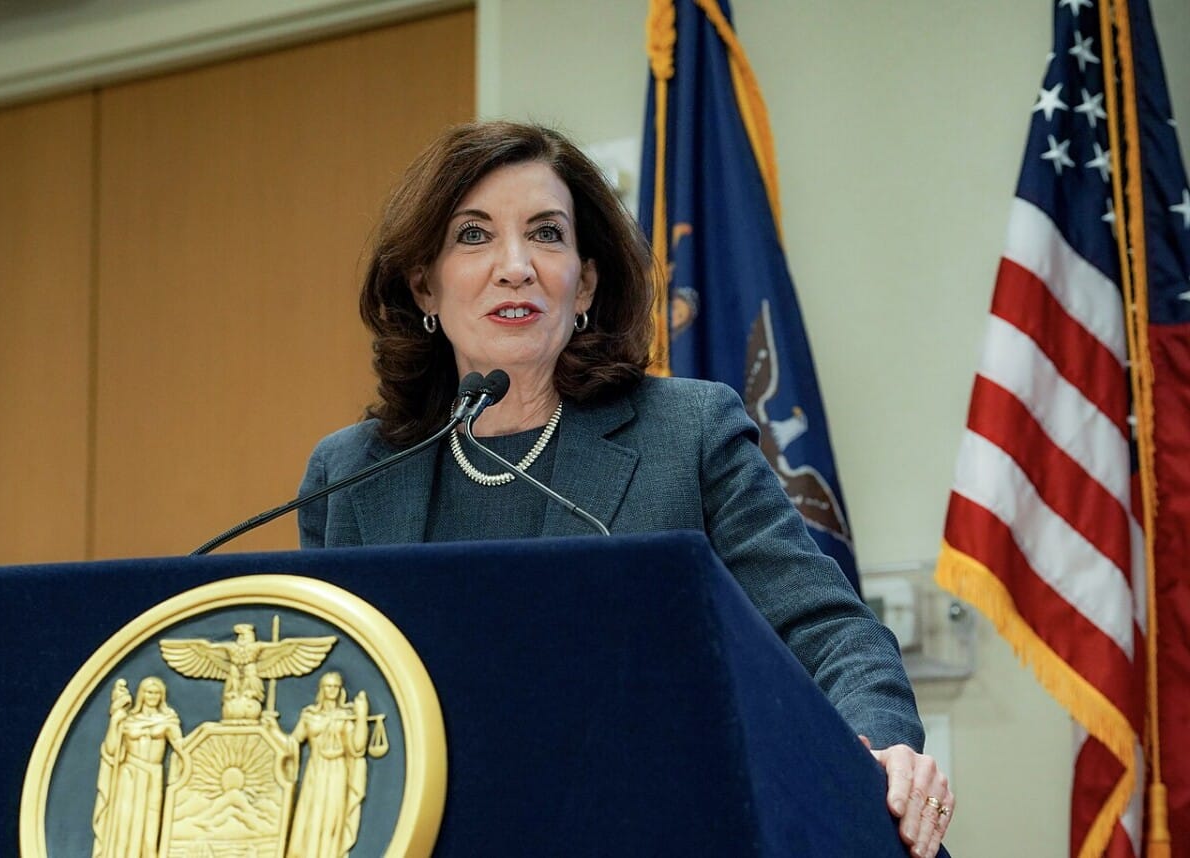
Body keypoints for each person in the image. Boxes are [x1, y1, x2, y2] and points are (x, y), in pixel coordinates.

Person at [299, 120, 954, 856]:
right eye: (474, 236)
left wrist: (881, 744)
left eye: (546, 235)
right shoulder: (351, 475)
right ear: (424, 281)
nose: (515, 266)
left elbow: (828, 629)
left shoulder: (686, 432)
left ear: (586, 282)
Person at [92, 676, 187, 858]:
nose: (153, 696)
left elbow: (181, 747)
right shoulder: (128, 721)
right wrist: (114, 722)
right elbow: (111, 750)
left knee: (150, 832)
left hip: (153, 775)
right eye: (149, 692)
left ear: (162, 695)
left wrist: (182, 770)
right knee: (124, 826)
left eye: (157, 692)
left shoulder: (168, 720)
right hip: (129, 774)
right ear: (142, 694)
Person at [286, 672, 370, 858]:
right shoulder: (309, 715)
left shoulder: (347, 716)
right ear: (321, 689)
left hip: (337, 771)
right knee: (311, 815)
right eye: (328, 686)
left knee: (332, 816)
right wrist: (271, 729)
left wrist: (362, 715)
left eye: (335, 686)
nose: (331, 690)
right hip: (315, 771)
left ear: (340, 690)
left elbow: (357, 748)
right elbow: (292, 742)